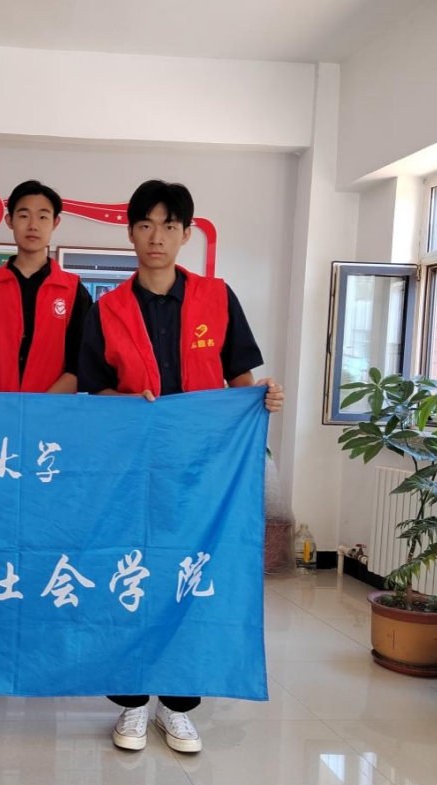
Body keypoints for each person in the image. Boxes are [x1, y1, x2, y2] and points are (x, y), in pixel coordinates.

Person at [77, 180, 285, 754]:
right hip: (132, 470)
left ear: (187, 234)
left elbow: (240, 378)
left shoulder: (217, 297)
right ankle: (131, 703)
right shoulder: (107, 309)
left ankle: (178, 705)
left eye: (169, 226)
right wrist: (128, 403)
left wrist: (261, 398)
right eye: (145, 225)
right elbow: (94, 391)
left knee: (191, 576)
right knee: (131, 575)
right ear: (130, 232)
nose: (157, 237)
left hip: (201, 472)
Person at [0, 180, 92, 393]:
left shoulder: (74, 291)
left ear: (55, 222)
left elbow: (79, 362)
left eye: (43, 217)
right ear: (9, 221)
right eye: (24, 216)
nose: (33, 225)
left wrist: (40, 406)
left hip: (51, 409)